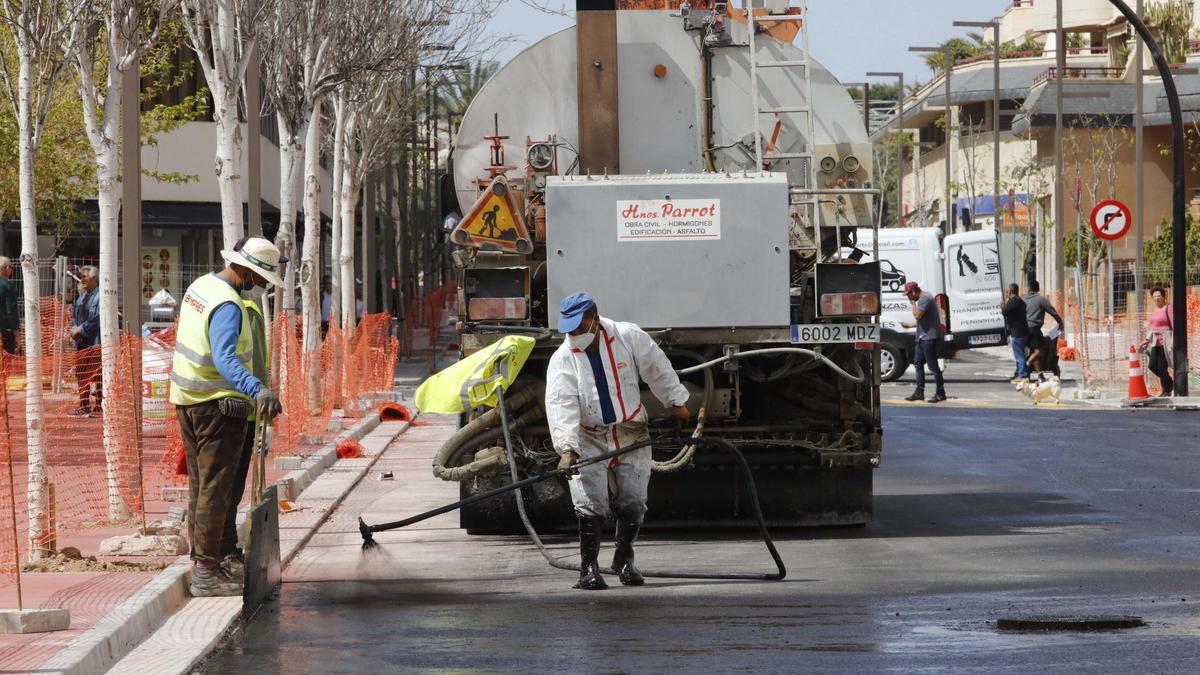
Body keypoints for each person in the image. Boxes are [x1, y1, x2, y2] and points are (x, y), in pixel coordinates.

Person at [546, 292, 691, 590]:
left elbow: (657, 367)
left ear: (594, 320)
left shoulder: (628, 336)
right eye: (568, 330)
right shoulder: (563, 359)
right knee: (590, 503)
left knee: (634, 501)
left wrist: (677, 401)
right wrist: (567, 449)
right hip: (589, 437)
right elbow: (561, 404)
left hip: (631, 431)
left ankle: (624, 559)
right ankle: (588, 569)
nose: (573, 335)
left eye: (578, 328)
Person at [169, 236, 284, 597]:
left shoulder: (200, 287)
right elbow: (225, 358)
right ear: (247, 270)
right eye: (263, 279)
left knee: (202, 486)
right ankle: (206, 571)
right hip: (219, 406)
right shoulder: (229, 304)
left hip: (189, 399)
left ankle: (211, 558)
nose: (263, 287)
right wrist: (257, 390)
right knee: (217, 491)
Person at [899, 281, 946, 403]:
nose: (909, 297)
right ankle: (919, 392)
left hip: (929, 338)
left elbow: (918, 316)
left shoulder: (925, 298)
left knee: (933, 367)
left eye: (909, 295)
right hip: (922, 338)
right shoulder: (925, 298)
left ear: (913, 292)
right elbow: (924, 320)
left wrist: (913, 304)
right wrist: (909, 326)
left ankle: (941, 393)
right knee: (917, 363)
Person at [68, 266, 102, 417]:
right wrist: (74, 330)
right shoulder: (82, 297)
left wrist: (81, 329)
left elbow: (98, 319)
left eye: (85, 277)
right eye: (81, 276)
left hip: (94, 342)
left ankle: (100, 406)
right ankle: (84, 405)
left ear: (94, 278)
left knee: (97, 374)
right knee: (81, 373)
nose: (81, 279)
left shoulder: (100, 296)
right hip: (81, 343)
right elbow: (75, 317)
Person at [1140, 284, 1175, 396]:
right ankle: (1171, 384)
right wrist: (1147, 340)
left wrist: (1174, 339)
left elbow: (1174, 324)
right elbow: (1152, 327)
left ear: (1164, 297)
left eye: (1159, 296)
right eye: (1154, 296)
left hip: (1166, 340)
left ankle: (1166, 390)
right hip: (1156, 342)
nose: (1157, 298)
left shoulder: (1168, 308)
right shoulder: (1154, 311)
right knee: (1152, 366)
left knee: (1162, 367)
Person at [1023, 280, 1064, 375]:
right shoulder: (1041, 299)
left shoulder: (1023, 299)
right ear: (1038, 289)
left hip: (1024, 330)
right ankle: (1027, 364)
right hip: (1034, 329)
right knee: (1040, 350)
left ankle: (1039, 373)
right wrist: (1060, 322)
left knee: (1033, 350)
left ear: (1028, 289)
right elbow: (1052, 312)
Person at [1001, 283, 1030, 383]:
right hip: (1021, 331)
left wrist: (1002, 306)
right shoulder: (1020, 301)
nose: (1006, 293)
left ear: (1010, 291)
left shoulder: (1014, 301)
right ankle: (1018, 373)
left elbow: (1004, 312)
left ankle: (1022, 375)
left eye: (1007, 291)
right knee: (1019, 354)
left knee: (1019, 355)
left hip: (1018, 333)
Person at [0, 257, 18, 355]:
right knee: (6, 364)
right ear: (6, 268)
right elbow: (11, 311)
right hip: (4, 333)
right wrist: (17, 334)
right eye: (12, 268)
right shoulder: (7, 286)